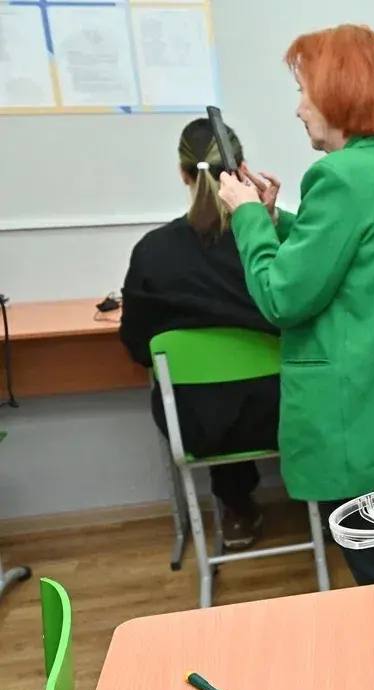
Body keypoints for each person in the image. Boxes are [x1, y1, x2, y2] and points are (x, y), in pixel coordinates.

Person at [218, 25, 374, 585]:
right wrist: (275, 220)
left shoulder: (339, 177)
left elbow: (281, 296)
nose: (299, 109)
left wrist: (246, 218)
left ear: (340, 95)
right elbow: (351, 255)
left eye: (305, 92)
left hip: (354, 414)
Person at [119, 118, 277, 550]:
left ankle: (236, 508)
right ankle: (323, 510)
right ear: (242, 170)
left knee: (211, 397)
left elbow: (138, 346)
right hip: (280, 417)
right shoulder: (266, 243)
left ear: (182, 172)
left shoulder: (153, 251)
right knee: (252, 388)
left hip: (195, 428)